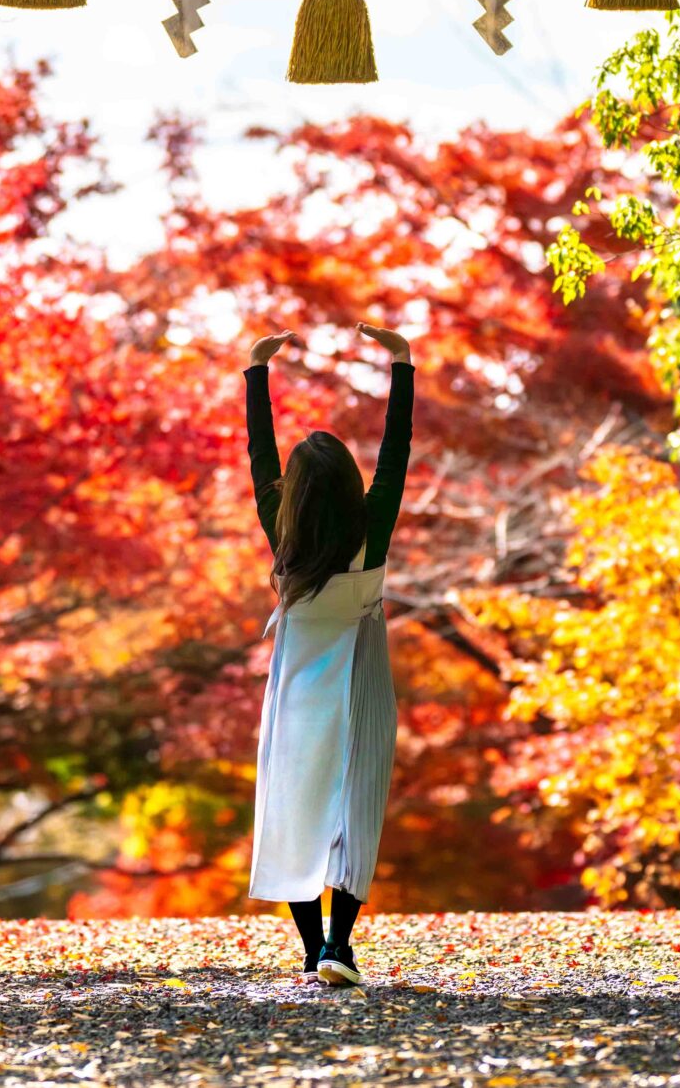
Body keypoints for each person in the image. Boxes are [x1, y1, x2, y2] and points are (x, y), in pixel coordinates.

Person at [244, 321, 413, 988]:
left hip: (295, 690)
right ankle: (339, 945)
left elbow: (260, 454)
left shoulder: (281, 535)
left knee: (296, 804)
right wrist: (401, 363)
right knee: (353, 808)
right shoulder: (373, 526)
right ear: (349, 485)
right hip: (361, 683)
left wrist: (256, 374)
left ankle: (314, 948)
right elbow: (396, 449)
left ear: (294, 493)